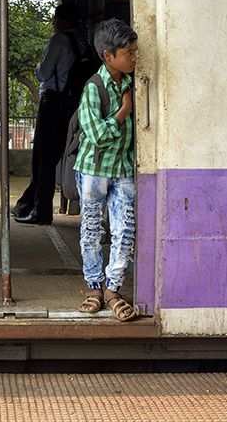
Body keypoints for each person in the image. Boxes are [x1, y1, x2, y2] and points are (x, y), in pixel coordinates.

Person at [73, 19, 139, 322]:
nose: (135, 58)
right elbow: (97, 135)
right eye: (129, 53)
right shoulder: (93, 88)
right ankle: (94, 288)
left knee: (124, 230)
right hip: (93, 170)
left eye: (136, 52)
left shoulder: (134, 83)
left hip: (123, 168)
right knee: (92, 230)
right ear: (108, 56)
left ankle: (113, 288)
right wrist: (123, 112)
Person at [14, 2, 86, 225]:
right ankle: (26, 204)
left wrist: (38, 66)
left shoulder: (59, 40)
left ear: (62, 21)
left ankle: (41, 212)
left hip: (52, 103)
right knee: (54, 157)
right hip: (71, 106)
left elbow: (44, 73)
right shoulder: (82, 44)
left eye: (55, 19)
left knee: (42, 160)